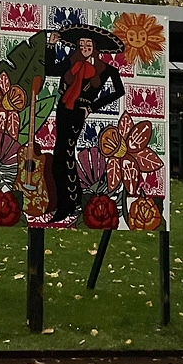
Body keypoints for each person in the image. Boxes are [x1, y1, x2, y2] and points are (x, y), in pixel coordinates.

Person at [48, 25, 124, 222]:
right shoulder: (71, 62)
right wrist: (51, 46)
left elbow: (119, 91)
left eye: (88, 45)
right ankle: (66, 202)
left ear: (95, 47)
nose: (84, 48)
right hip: (64, 109)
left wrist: (92, 106)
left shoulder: (105, 69)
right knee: (60, 155)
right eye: (81, 45)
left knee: (64, 154)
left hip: (78, 111)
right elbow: (50, 69)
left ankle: (69, 204)